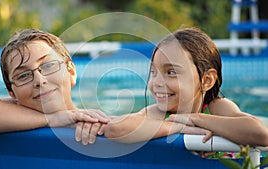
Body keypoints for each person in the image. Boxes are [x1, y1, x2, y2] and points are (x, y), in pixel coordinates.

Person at [104, 27, 268, 150]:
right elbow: (115, 129)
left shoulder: (217, 108)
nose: (157, 82)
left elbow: (261, 134)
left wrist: (195, 119)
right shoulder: (159, 115)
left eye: (171, 72)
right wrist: (178, 127)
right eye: (153, 72)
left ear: (206, 80)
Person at [0, 29, 109, 145]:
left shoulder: (98, 123)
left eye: (48, 65)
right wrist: (51, 119)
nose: (39, 80)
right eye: (23, 76)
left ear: (71, 72)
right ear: (12, 93)